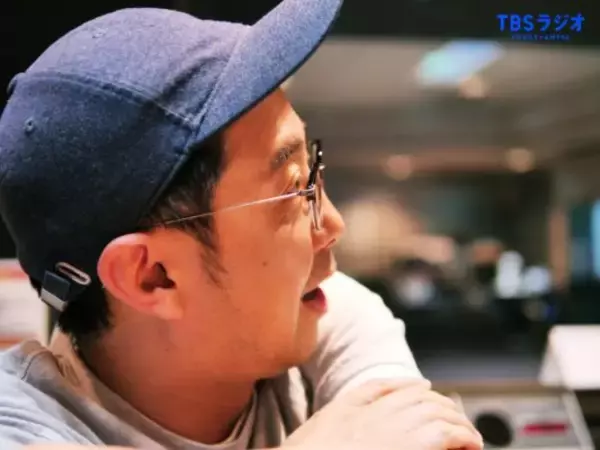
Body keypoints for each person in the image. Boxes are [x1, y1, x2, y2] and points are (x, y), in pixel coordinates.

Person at [0, 0, 484, 449]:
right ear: (153, 276)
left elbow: (351, 312)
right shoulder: (24, 429)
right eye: (295, 191)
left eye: (314, 171)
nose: (333, 224)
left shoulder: (312, 340)